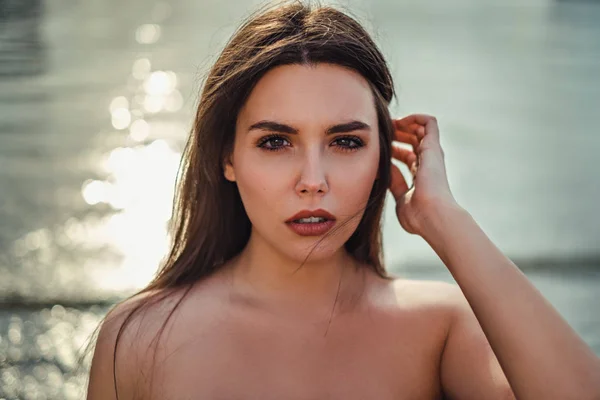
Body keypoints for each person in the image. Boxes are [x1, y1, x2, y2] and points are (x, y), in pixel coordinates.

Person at [85, 2, 600, 399]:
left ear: (383, 156)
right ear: (227, 157)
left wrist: (446, 219)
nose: (313, 181)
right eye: (276, 142)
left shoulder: (440, 327)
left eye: (346, 142)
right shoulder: (138, 337)